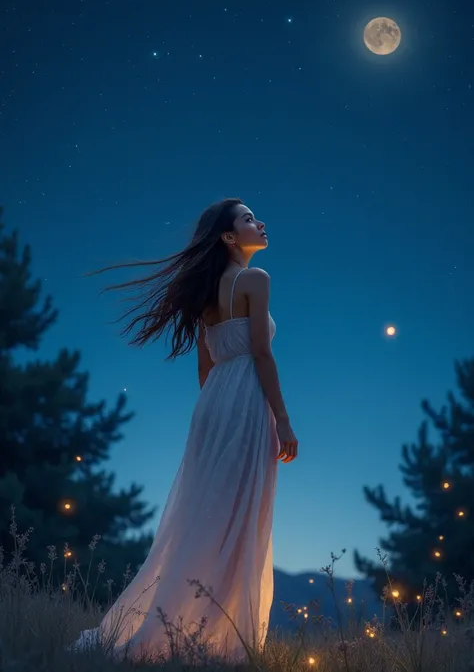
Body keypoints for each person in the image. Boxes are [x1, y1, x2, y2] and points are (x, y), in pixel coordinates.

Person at [74, 198, 298, 662]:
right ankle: (220, 642)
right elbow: (261, 353)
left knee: (205, 514)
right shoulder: (256, 280)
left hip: (213, 403)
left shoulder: (204, 292)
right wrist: (282, 419)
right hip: (246, 397)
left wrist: (218, 415)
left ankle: (188, 631)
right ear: (229, 237)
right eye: (249, 218)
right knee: (239, 516)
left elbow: (205, 367)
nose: (261, 222)